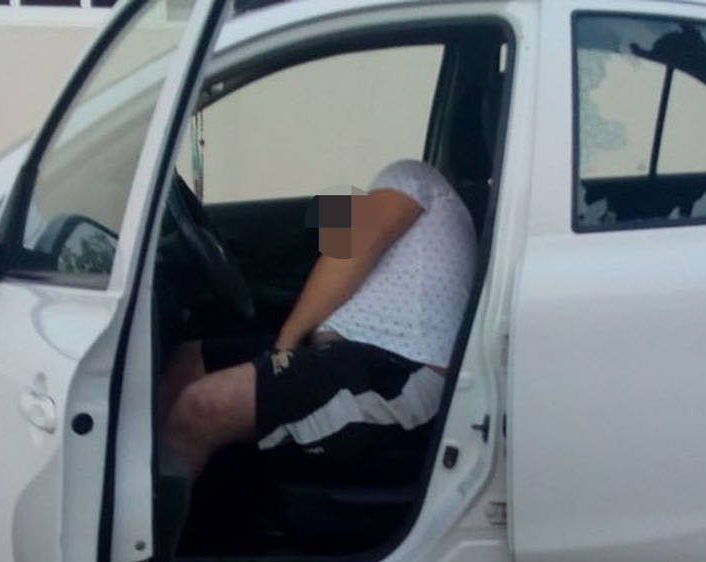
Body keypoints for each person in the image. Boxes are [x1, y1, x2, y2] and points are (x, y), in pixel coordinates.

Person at [160, 159, 477, 479]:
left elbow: (354, 246)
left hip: (398, 371)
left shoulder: (412, 176)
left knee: (201, 405)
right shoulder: (430, 206)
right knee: (187, 361)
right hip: (358, 354)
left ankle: (153, 509)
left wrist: (287, 341)